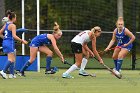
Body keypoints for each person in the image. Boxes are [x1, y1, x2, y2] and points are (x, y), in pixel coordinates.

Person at [0, 11, 28, 79]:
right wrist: (22, 40)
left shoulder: (6, 25)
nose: (16, 18)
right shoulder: (13, 25)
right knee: (11, 59)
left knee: (11, 59)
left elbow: (0, 33)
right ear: (13, 18)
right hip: (9, 43)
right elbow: (14, 36)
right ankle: (3, 71)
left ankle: (10, 74)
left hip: (5, 43)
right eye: (15, 17)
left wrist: (5, 38)